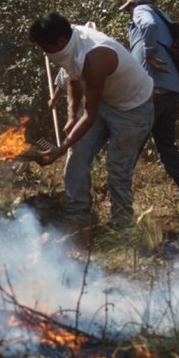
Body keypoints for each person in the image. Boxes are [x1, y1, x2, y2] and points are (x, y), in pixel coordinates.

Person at [28, 12, 154, 229]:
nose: (44, 53)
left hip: (132, 109)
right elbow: (74, 81)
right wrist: (69, 118)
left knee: (117, 166)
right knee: (77, 153)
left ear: (59, 41)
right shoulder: (70, 43)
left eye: (45, 47)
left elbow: (89, 116)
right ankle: (78, 214)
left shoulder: (96, 57)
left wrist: (61, 147)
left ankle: (121, 226)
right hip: (105, 100)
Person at [120, 0, 179, 201]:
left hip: (152, 92)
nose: (130, 13)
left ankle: (118, 197)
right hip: (172, 91)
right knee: (166, 147)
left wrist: (149, 53)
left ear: (134, 4)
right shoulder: (164, 16)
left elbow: (148, 25)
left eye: (129, 8)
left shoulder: (142, 11)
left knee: (130, 144)